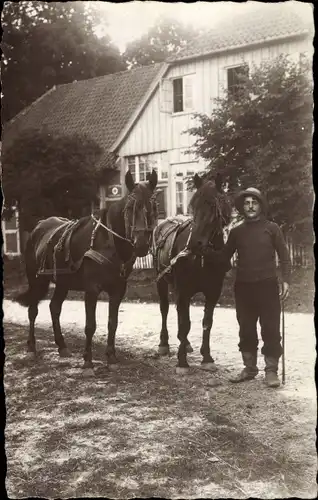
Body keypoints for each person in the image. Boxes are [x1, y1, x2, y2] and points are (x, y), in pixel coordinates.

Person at [212, 187, 291, 388]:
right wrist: (207, 251)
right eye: (246, 203)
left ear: (260, 205)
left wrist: (285, 280)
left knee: (270, 329)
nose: (250, 206)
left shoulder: (272, 228)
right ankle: (249, 368)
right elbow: (223, 257)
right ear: (242, 207)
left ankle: (271, 371)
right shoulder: (237, 232)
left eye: (254, 202)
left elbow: (284, 256)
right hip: (244, 288)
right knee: (246, 329)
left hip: (267, 286)